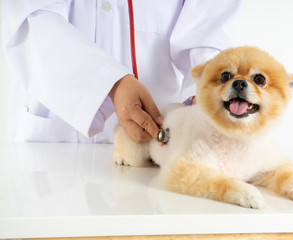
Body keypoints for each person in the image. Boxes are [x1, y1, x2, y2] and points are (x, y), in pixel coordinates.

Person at [2, 0, 242, 143]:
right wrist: (110, 84)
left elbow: (209, 27)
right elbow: (29, 21)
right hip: (54, 136)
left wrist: (209, 91)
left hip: (157, 135)